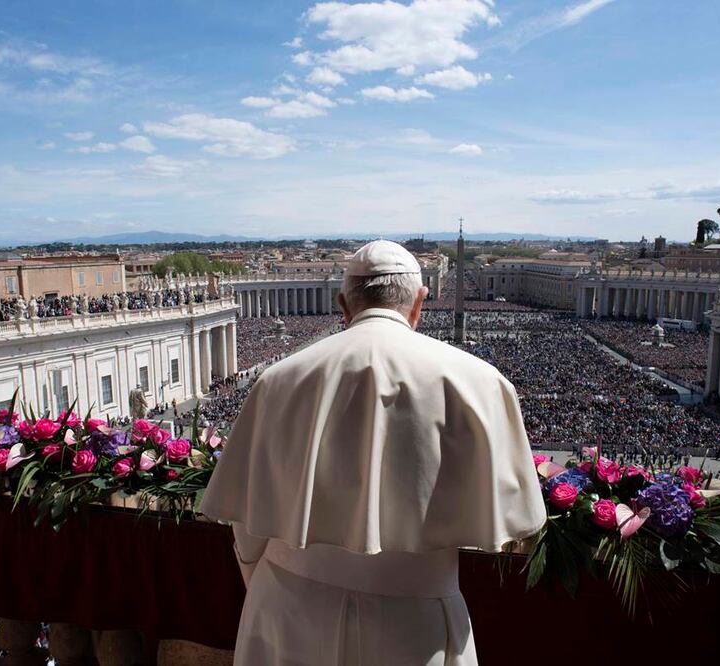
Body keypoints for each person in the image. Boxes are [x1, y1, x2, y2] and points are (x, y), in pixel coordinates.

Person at [202, 240, 546, 665]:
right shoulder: (482, 383)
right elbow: (518, 523)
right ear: (421, 301)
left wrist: (261, 581)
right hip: (414, 623)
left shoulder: (277, 380)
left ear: (343, 304)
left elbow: (247, 518)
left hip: (285, 610)